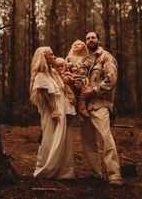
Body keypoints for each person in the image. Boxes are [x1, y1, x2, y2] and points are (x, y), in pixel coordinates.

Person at [80, 32, 123, 187]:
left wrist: (94, 90)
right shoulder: (84, 60)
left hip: (100, 104)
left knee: (105, 139)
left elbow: (111, 79)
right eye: (87, 38)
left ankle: (114, 175)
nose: (90, 40)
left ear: (98, 40)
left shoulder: (106, 57)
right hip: (84, 107)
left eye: (93, 37)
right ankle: (95, 174)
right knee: (88, 142)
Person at [30, 46, 74, 179]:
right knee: (51, 138)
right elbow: (43, 94)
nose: (54, 57)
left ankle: (63, 172)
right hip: (52, 111)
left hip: (61, 107)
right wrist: (53, 110)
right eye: (52, 55)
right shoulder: (41, 75)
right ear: (45, 58)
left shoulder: (53, 72)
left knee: (63, 139)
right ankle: (47, 170)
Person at [66, 40, 91, 119]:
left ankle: (82, 109)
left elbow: (89, 64)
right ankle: (74, 111)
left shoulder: (85, 57)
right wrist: (68, 65)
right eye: (74, 44)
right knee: (72, 95)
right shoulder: (69, 57)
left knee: (83, 94)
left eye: (79, 44)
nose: (76, 45)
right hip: (73, 78)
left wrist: (87, 64)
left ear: (83, 48)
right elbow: (63, 66)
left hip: (83, 78)